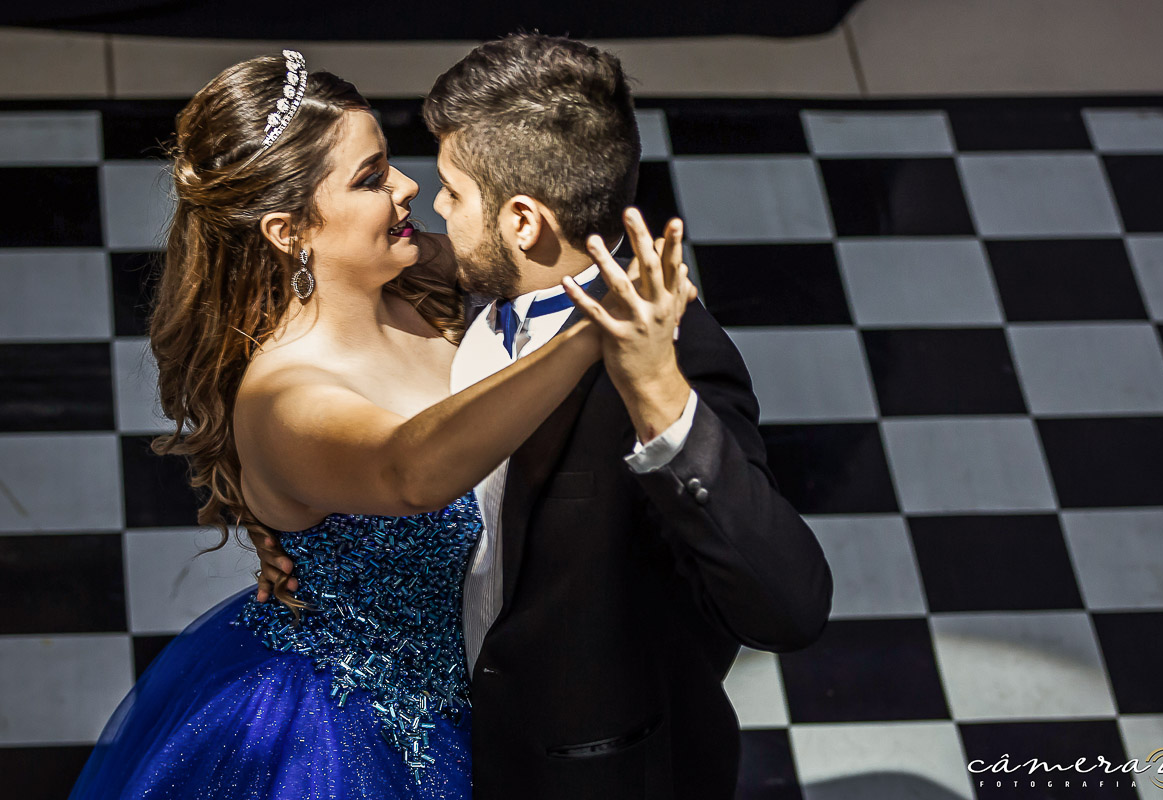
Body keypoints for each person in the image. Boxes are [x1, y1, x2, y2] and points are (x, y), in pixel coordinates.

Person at [67, 50, 693, 800]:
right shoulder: (284, 400)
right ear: (287, 229)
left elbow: (509, 250)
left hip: (512, 698)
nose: (408, 188)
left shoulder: (417, 279)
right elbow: (410, 470)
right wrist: (596, 330)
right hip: (358, 736)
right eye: (369, 180)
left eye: (389, 163)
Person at [256, 33, 835, 800]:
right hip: (444, 735)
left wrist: (663, 404)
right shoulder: (465, 287)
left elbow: (791, 608)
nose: (431, 204)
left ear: (523, 221)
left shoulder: (671, 356)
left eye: (454, 194)